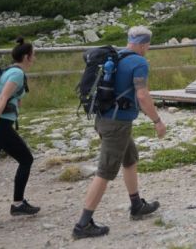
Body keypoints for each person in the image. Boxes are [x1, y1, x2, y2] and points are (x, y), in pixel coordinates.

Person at [72, 26, 166, 239]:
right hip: (117, 125)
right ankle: (83, 224)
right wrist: (157, 121)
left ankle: (136, 205)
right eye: (148, 45)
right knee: (105, 171)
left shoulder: (116, 56)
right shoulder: (139, 62)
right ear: (143, 44)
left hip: (104, 119)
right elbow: (142, 95)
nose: (148, 48)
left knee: (130, 158)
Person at [0, 38, 40, 222]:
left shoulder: (9, 71)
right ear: (27, 56)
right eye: (33, 55)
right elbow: (2, 99)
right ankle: (18, 204)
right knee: (26, 159)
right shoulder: (17, 74)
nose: (34, 58)